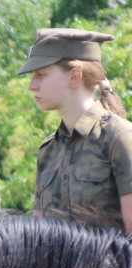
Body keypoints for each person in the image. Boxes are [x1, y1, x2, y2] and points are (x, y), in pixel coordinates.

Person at [19, 28, 132, 233]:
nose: (32, 85)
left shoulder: (120, 138)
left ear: (74, 76)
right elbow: (36, 238)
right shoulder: (48, 150)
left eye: (41, 75)